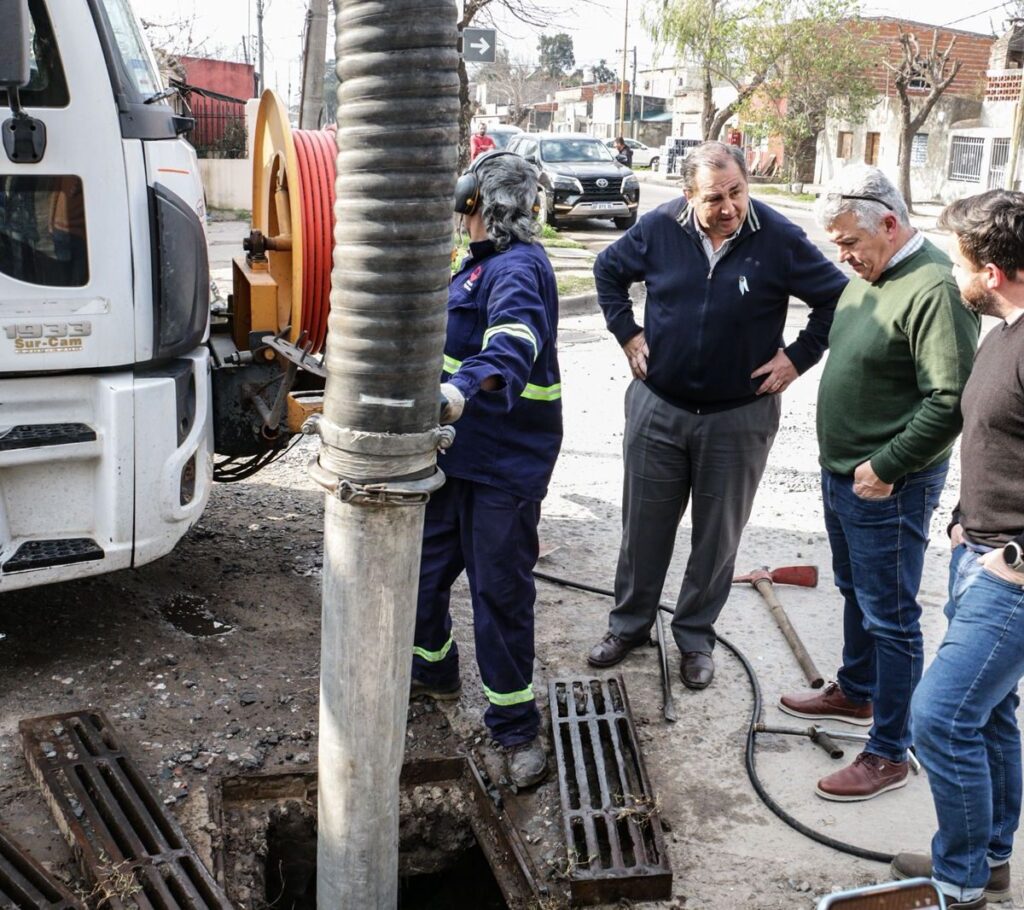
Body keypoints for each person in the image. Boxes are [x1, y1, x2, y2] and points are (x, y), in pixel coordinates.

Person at [587, 140, 847, 690]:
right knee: (643, 528)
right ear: (688, 196)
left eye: (736, 192)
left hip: (739, 416)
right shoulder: (659, 228)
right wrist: (627, 333)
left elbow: (836, 299)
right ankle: (629, 625)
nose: (728, 207)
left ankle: (695, 637)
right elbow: (608, 271)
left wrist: (798, 357)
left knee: (717, 538)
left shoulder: (777, 236)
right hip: (659, 406)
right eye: (713, 198)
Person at [779, 165, 979, 803]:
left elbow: (949, 400)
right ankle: (857, 691)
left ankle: (890, 750)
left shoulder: (934, 288)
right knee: (855, 591)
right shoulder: (872, 275)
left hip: (887, 484)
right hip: (845, 473)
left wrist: (887, 465)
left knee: (890, 618)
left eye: (849, 242)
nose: (842, 256)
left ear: (889, 224)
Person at [888, 190, 1024, 910]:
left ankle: (959, 883)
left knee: (939, 718)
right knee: (988, 714)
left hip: (1012, 577)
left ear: (992, 272)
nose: (952, 273)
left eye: (960, 262)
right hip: (978, 553)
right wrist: (963, 522)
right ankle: (988, 859)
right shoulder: (1003, 331)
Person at [412, 151, 562, 789]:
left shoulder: (517, 269)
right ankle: (434, 671)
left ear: (474, 199)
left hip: (503, 464)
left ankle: (516, 727)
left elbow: (513, 342)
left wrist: (461, 389)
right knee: (419, 573)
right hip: (457, 455)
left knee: (498, 594)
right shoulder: (476, 266)